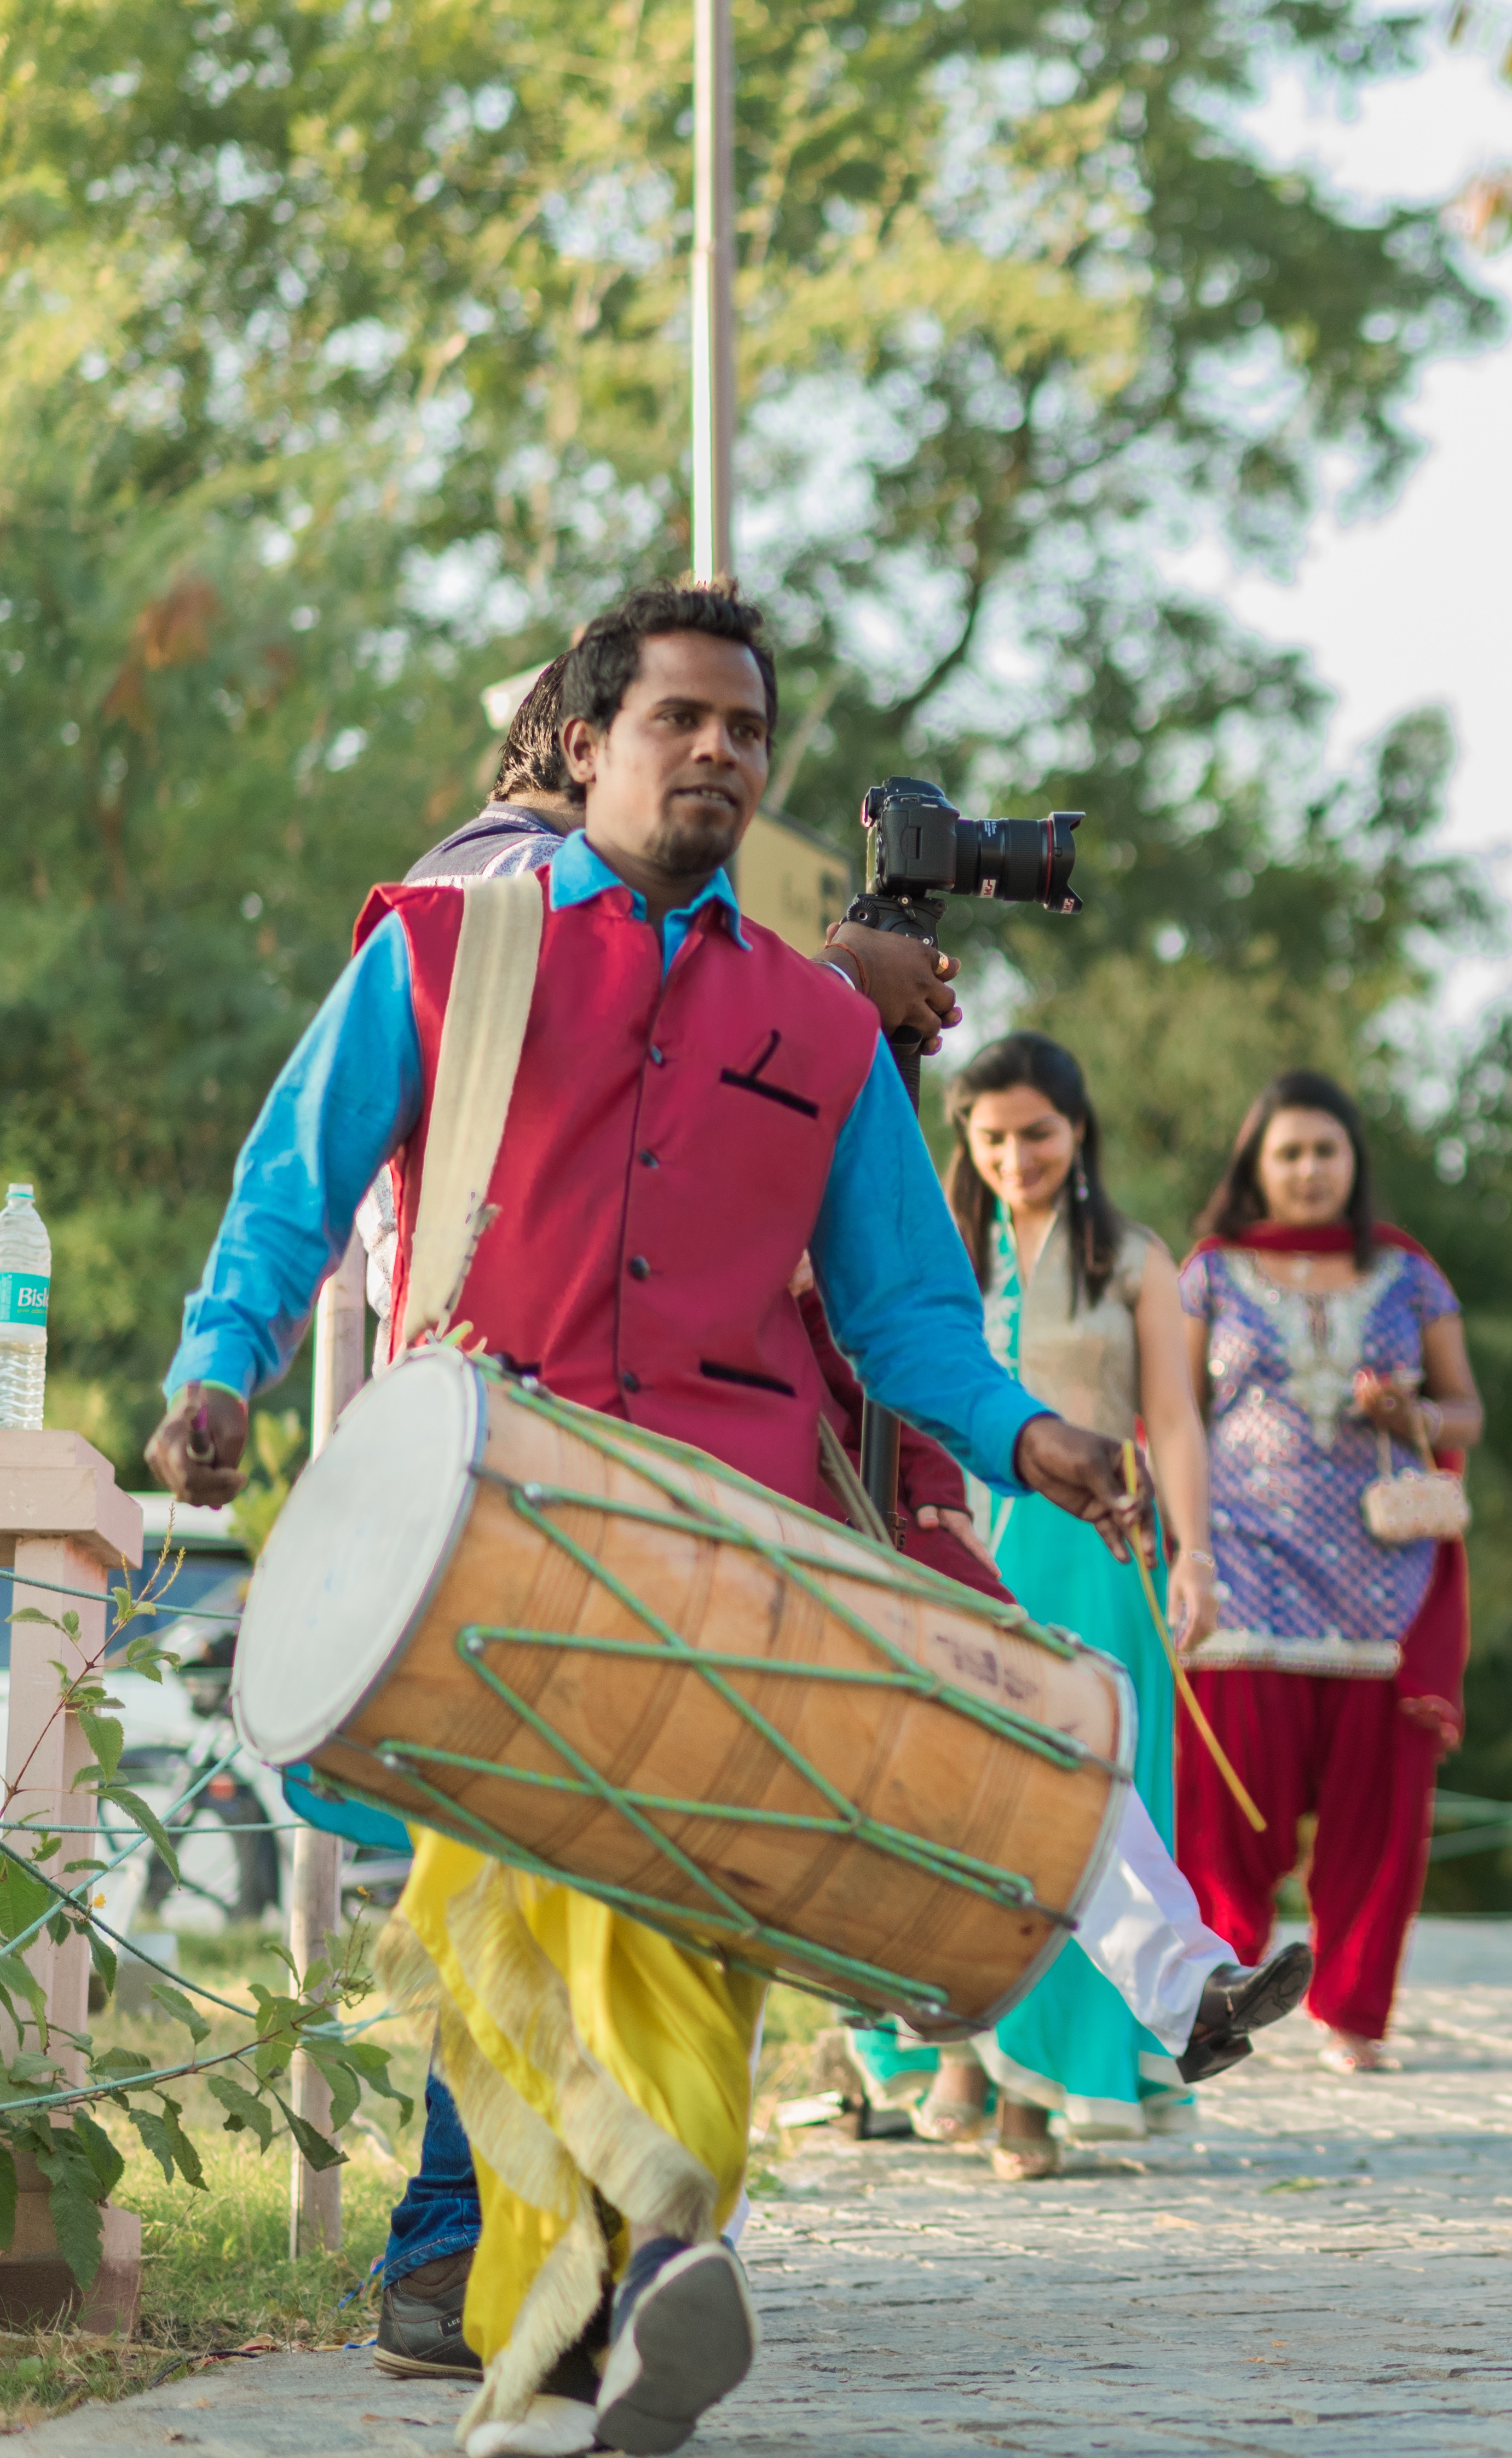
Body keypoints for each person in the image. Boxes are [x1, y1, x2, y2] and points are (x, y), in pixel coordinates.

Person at [145, 585, 1298, 2457]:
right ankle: (623, 2283)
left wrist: (1028, 1444)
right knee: (504, 1925)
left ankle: (615, 2302)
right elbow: (300, 1179)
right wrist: (223, 1368)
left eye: (746, 732)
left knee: (690, 1917)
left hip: (730, 1544)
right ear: (584, 745)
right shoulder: (447, 946)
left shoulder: (815, 1025)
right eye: (678, 719)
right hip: (480, 1526)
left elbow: (910, 1308)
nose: (718, 752)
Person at [902, 1033, 1239, 2173]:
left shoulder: (1136, 1260)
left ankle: (1041, 2093)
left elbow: (1175, 1420)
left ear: (1077, 1128)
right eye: (988, 1136)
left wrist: (1193, 1554)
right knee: (963, 1796)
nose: (1012, 1156)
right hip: (960, 1541)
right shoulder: (935, 1246)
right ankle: (971, 2054)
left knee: (1086, 1801)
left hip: (1095, 1548)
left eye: (1035, 1132)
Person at [1174, 1072, 1479, 2070]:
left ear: (1354, 1164)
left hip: (1380, 1578)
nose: (1308, 1170)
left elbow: (1466, 1410)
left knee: (1375, 1811)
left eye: (1326, 1152)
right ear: (1257, 1167)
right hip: (1243, 1568)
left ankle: (1352, 2015)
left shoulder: (1408, 1274)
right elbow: (1171, 1413)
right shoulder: (1210, 1273)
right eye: (1289, 1153)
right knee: (1228, 1805)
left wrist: (1414, 1417)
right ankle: (1216, 1993)